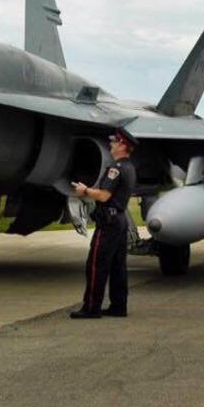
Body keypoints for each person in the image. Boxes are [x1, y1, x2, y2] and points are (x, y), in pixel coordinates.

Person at [70, 128, 138, 319]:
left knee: (96, 265)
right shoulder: (129, 168)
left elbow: (104, 195)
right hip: (120, 220)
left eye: (114, 142)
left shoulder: (115, 169)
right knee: (118, 266)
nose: (111, 145)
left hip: (108, 222)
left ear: (123, 145)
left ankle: (91, 308)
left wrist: (85, 190)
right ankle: (118, 306)